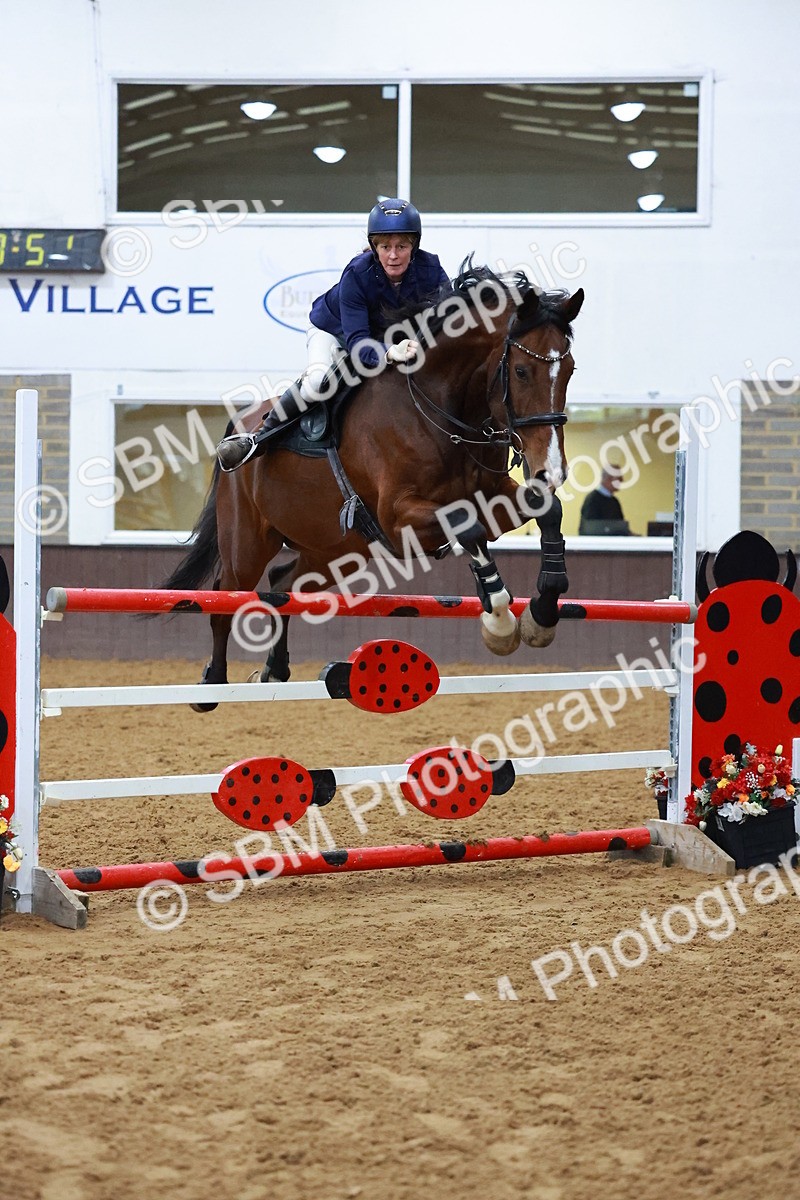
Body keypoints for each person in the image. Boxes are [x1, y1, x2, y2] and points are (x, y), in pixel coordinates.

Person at [217, 198, 449, 471]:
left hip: (384, 337)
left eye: (402, 246)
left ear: (414, 246)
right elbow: (357, 344)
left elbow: (451, 316)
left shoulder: (430, 269)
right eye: (385, 247)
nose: (393, 255)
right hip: (335, 332)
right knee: (317, 382)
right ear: (375, 247)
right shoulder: (358, 273)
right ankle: (258, 439)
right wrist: (389, 351)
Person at [578, 465, 632, 535]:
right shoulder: (592, 500)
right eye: (619, 478)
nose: (622, 480)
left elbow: (620, 526)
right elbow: (590, 529)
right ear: (608, 479)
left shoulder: (614, 501)